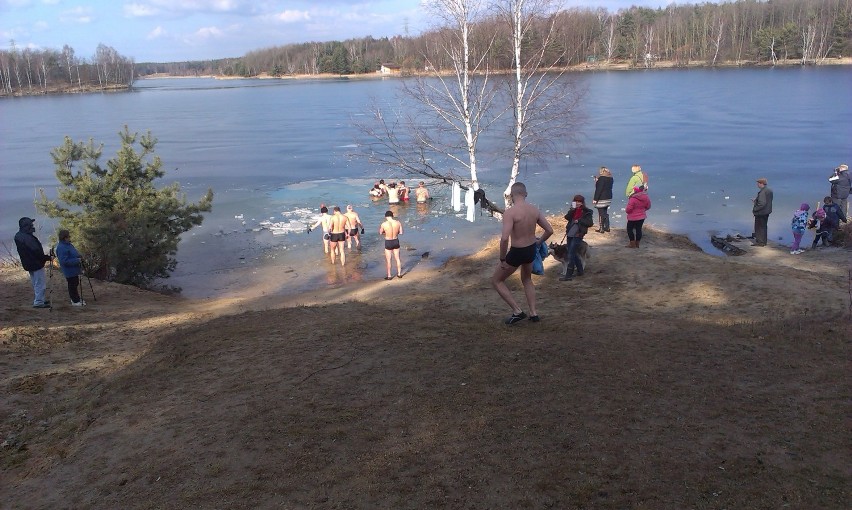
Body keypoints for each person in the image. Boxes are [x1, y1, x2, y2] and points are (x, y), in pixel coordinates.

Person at [491, 182, 554, 324]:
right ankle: (533, 313)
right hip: (531, 248)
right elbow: (549, 230)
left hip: (517, 251)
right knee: (527, 279)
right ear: (525, 194)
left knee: (497, 280)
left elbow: (505, 238)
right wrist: (538, 242)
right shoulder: (534, 210)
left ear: (512, 196)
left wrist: (502, 259)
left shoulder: (510, 213)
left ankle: (517, 311)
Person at [14, 217, 53, 308]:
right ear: (26, 226)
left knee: (36, 282)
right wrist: (47, 258)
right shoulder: (28, 238)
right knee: (40, 283)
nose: (32, 226)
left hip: (28, 263)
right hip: (35, 263)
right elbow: (36, 251)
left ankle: (40, 300)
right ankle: (39, 302)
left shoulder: (18, 235)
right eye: (31, 225)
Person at [559, 194, 594, 281]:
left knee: (570, 254)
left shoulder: (587, 212)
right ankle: (580, 271)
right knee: (573, 253)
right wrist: (572, 209)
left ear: (582, 202)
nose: (577, 203)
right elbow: (567, 217)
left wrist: (579, 220)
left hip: (578, 235)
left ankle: (568, 275)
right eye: (576, 201)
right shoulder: (573, 210)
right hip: (570, 234)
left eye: (579, 201)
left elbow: (590, 223)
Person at [55, 229, 86, 306]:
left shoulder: (68, 245)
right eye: (69, 236)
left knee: (75, 283)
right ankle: (75, 301)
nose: (70, 237)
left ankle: (77, 298)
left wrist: (78, 256)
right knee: (72, 285)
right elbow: (64, 261)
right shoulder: (61, 247)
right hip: (69, 270)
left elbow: (73, 253)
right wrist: (77, 260)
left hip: (74, 269)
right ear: (65, 238)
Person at [379, 210, 403, 280]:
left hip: (388, 241)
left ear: (386, 216)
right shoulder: (398, 222)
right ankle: (399, 274)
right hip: (395, 240)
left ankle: (389, 275)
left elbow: (380, 233)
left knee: (389, 260)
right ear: (392, 216)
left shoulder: (384, 224)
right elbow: (401, 232)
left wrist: (385, 233)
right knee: (397, 258)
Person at [751, 177, 773, 247]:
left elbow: (762, 203)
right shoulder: (769, 190)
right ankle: (763, 241)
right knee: (763, 227)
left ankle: (760, 242)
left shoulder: (762, 192)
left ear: (761, 183)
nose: (757, 184)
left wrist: (755, 209)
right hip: (767, 211)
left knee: (758, 227)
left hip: (761, 212)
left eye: (758, 183)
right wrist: (756, 200)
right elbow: (766, 201)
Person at [592, 166, 613, 233]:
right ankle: (607, 227)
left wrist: (595, 199)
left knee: (601, 213)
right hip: (608, 197)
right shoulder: (610, 178)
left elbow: (599, 189)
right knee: (604, 212)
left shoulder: (601, 179)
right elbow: (606, 187)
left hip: (602, 198)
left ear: (601, 171)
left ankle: (602, 228)